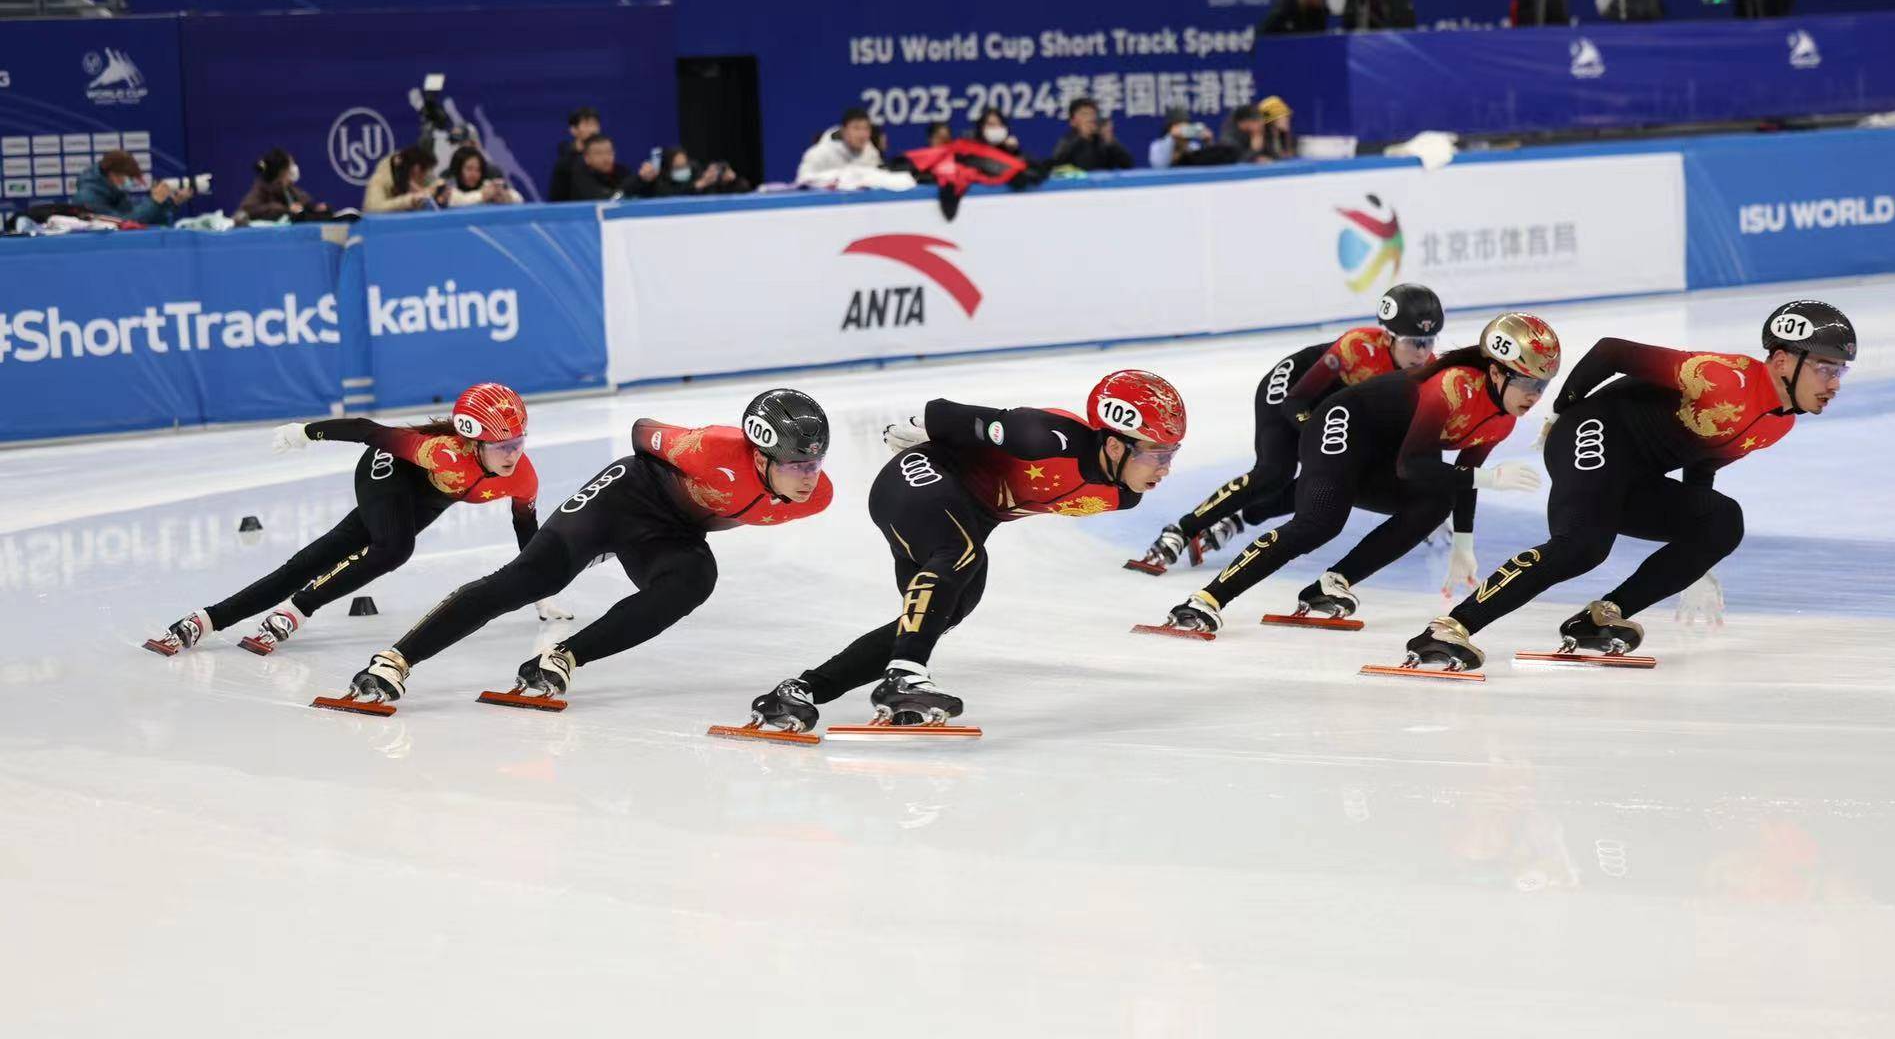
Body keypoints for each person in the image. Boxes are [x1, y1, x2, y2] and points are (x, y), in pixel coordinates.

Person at [1412, 301, 1854, 672]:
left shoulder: (1778, 425)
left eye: (1841, 372)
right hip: (1592, 431)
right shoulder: (1722, 376)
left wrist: (1697, 557)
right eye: (1825, 369)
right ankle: (1450, 628)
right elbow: (1613, 352)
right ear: (1782, 362)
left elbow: (1702, 467)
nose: (1833, 385)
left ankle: (1602, 617)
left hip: (1633, 474)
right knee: (1582, 546)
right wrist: (1562, 412)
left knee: (1722, 521)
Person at [327, 390, 833, 709]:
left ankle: (561, 659)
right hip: (622, 497)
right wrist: (603, 532)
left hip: (672, 532)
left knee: (694, 582)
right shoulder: (709, 447)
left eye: (815, 464)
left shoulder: (817, 498)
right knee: (529, 580)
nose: (810, 478)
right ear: (761, 455)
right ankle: (394, 660)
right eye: (797, 465)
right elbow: (641, 432)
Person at [742, 371, 1186, 733]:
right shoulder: (1044, 436)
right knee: (961, 553)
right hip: (918, 477)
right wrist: (919, 431)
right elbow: (943, 413)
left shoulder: (1124, 493)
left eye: (1172, 454)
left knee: (946, 610)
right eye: (1157, 454)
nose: (1166, 468)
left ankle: (799, 692)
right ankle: (903, 677)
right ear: (1113, 443)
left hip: (963, 515)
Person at [1158, 313, 1559, 636]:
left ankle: (1332, 584)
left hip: (1381, 451)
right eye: (1527, 382)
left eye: (1543, 385)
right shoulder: (1452, 387)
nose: (1534, 395)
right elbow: (1414, 466)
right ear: (1495, 373)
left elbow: (1460, 474)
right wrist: (1488, 480)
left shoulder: (1502, 420)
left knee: (1438, 500)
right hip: (1341, 423)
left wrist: (1464, 545)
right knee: (1319, 523)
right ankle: (1206, 599)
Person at [143, 383, 557, 657]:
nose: (512, 454)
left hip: (430, 498)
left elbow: (526, 528)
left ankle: (224, 617)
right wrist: (307, 432)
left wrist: (538, 585)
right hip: (387, 470)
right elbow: (367, 430)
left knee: (322, 557)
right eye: (501, 445)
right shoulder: (442, 452)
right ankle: (272, 612)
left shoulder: (523, 478)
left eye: (518, 443)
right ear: (472, 441)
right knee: (395, 548)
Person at [1131, 285, 1445, 574]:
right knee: (1274, 472)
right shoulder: (1357, 348)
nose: (1421, 353)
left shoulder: (1430, 375)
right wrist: (1320, 439)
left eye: (1428, 342)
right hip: (1291, 390)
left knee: (1335, 482)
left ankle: (1240, 517)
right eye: (1413, 343)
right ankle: (1183, 530)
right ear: (1388, 336)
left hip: (1334, 412)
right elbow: (1296, 400)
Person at [73, 150, 191, 225]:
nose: (131, 182)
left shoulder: (115, 192)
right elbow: (122, 224)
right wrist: (155, 202)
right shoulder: (87, 198)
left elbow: (141, 218)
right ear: (113, 174)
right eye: (128, 177)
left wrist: (170, 203)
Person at [235, 148, 329, 223]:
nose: (295, 168)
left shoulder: (290, 189)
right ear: (282, 171)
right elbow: (246, 210)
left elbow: (303, 204)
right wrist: (286, 210)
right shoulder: (262, 189)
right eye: (292, 164)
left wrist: (314, 208)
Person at [795, 106, 884, 183]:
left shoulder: (871, 153)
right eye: (856, 128)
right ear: (843, 131)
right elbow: (803, 180)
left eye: (866, 128)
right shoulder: (819, 153)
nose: (862, 134)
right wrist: (837, 177)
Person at [1046, 98, 1134, 173]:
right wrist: (1082, 138)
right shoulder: (1067, 141)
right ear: (1072, 122)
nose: (1089, 118)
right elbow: (1056, 166)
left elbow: (1128, 165)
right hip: (1077, 189)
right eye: (1084, 114)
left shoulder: (1104, 140)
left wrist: (1110, 142)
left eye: (1092, 114)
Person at [439, 145, 524, 207]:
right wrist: (483, 196)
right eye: (469, 169)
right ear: (457, 169)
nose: (474, 174)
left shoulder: (487, 184)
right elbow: (457, 200)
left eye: (478, 170)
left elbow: (519, 198)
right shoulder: (448, 182)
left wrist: (506, 197)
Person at [548, 106, 601, 202]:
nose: (593, 130)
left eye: (595, 125)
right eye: (587, 125)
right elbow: (557, 199)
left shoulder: (605, 159)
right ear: (573, 130)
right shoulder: (565, 164)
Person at [363, 146, 438, 213]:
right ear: (415, 169)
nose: (424, 178)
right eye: (423, 173)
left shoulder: (422, 177)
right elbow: (373, 209)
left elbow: (433, 186)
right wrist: (410, 200)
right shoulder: (379, 180)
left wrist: (437, 193)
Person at [653, 146, 749, 197]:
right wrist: (698, 185)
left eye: (684, 165)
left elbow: (744, 189)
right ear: (668, 168)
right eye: (678, 167)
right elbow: (672, 195)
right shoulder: (661, 183)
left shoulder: (696, 173)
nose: (683, 170)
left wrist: (733, 181)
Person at [566, 133, 639, 201]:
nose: (605, 158)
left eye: (609, 152)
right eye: (598, 153)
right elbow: (606, 199)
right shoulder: (580, 175)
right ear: (586, 158)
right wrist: (636, 181)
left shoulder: (622, 171)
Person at [1148, 107, 1216, 168]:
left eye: (1187, 127)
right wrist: (1172, 137)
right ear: (1169, 128)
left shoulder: (1194, 147)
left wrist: (1208, 144)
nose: (1183, 132)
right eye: (1180, 127)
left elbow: (1209, 167)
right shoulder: (1157, 146)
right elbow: (1159, 166)